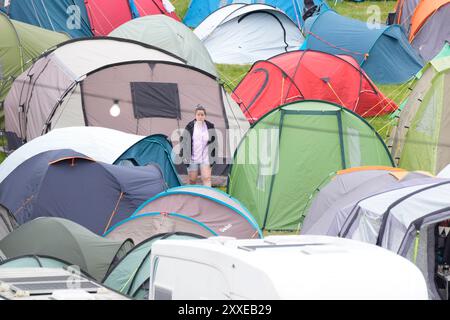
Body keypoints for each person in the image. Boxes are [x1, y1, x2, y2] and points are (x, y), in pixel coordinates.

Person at [181, 105, 217, 187]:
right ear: (195, 116)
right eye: (198, 115)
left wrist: (213, 157)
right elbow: (183, 141)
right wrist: (184, 156)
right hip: (193, 157)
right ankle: (191, 197)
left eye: (202, 115)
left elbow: (214, 143)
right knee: (192, 180)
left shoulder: (210, 126)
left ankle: (207, 196)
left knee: (207, 178)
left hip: (205, 158)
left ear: (205, 116)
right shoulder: (190, 126)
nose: (200, 117)